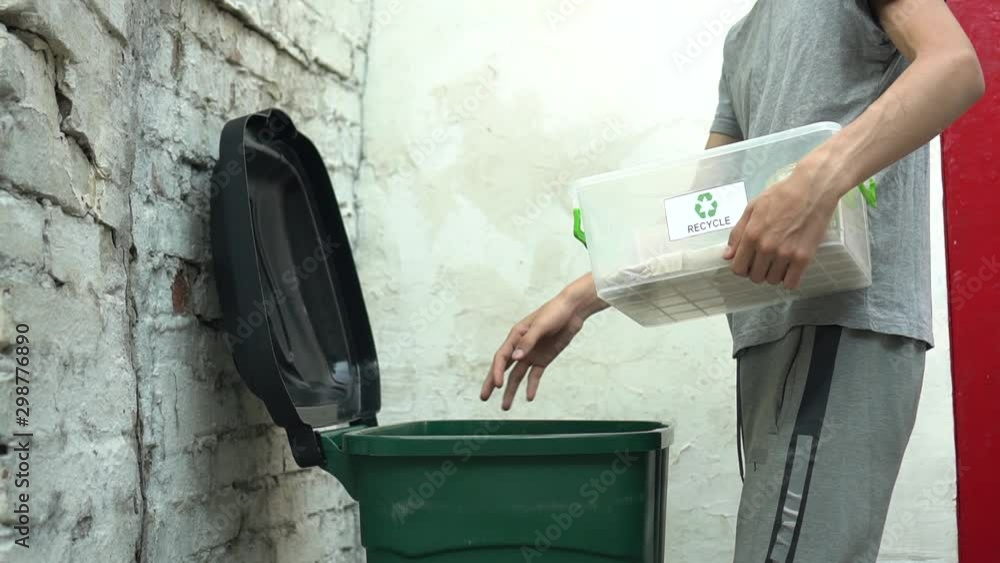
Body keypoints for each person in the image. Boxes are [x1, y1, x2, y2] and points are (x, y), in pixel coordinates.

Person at [480, 1, 984, 561]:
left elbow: (954, 65)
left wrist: (814, 181)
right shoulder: (742, 40)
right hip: (763, 333)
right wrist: (578, 300)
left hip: (845, 317)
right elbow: (702, 216)